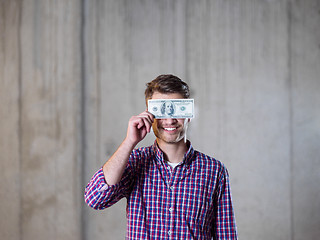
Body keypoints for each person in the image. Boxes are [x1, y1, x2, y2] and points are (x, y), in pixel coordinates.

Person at [84, 74, 238, 239]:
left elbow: (226, 235)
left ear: (189, 114)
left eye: (178, 110)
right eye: (162, 110)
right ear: (150, 115)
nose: (170, 120)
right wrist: (130, 141)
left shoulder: (214, 171)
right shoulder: (135, 162)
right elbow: (96, 199)